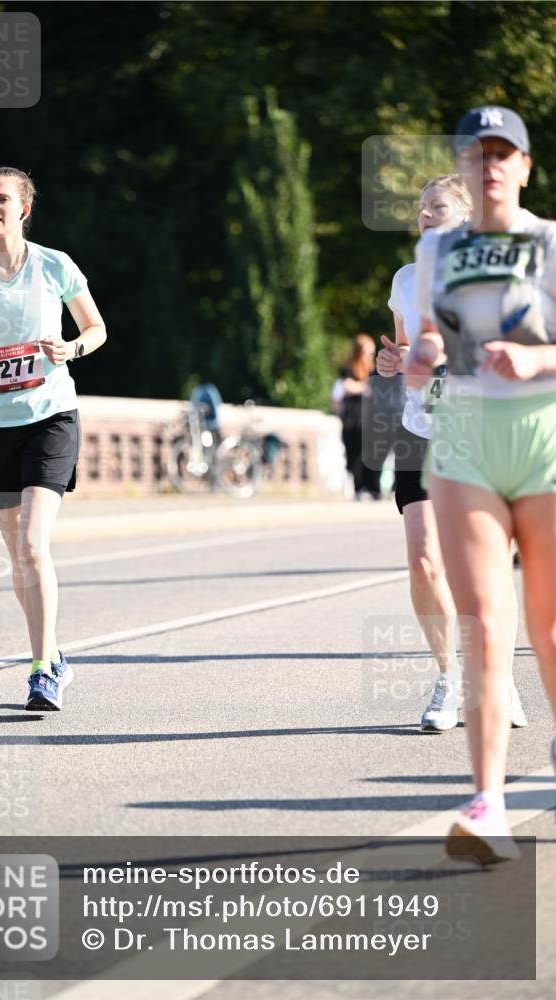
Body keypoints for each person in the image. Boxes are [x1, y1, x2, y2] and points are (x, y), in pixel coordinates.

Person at [405, 107, 556, 862]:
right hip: (463, 439)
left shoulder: (550, 241)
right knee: (485, 622)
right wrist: (422, 355)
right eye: (475, 153)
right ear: (461, 167)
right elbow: (434, 331)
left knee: (548, 625)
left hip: (542, 441)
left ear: (523, 167)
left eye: (503, 153)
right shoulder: (438, 247)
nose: (489, 164)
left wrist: (536, 361)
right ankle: (486, 802)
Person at [0, 166, 107, 711]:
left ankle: (40, 671)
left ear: (23, 209)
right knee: (18, 557)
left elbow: (96, 328)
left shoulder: (55, 265)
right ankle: (53, 652)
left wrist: (70, 349)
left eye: (3, 199)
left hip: (50, 416)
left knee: (34, 544)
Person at [377, 174, 527, 733]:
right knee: (423, 560)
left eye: (436, 206)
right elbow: (403, 350)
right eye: (420, 208)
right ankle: (450, 676)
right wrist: (391, 363)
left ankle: (500, 678)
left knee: (484, 567)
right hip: (418, 430)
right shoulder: (405, 279)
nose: (424, 214)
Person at [331, 334, 382, 499]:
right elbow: (347, 386)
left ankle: (374, 487)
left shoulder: (373, 367)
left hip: (371, 415)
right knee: (356, 452)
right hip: (355, 416)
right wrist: (365, 386)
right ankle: (360, 488)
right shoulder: (350, 367)